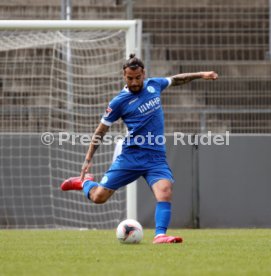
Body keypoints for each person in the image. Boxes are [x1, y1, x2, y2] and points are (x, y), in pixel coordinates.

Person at [61, 54, 218, 243]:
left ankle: (160, 235)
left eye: (137, 77)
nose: (134, 82)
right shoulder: (118, 102)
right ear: (124, 76)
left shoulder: (154, 85)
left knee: (165, 191)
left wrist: (201, 74)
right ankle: (84, 183)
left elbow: (177, 79)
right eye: (130, 78)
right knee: (99, 197)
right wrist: (88, 158)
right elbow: (100, 130)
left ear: (144, 74)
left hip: (155, 158)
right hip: (131, 156)